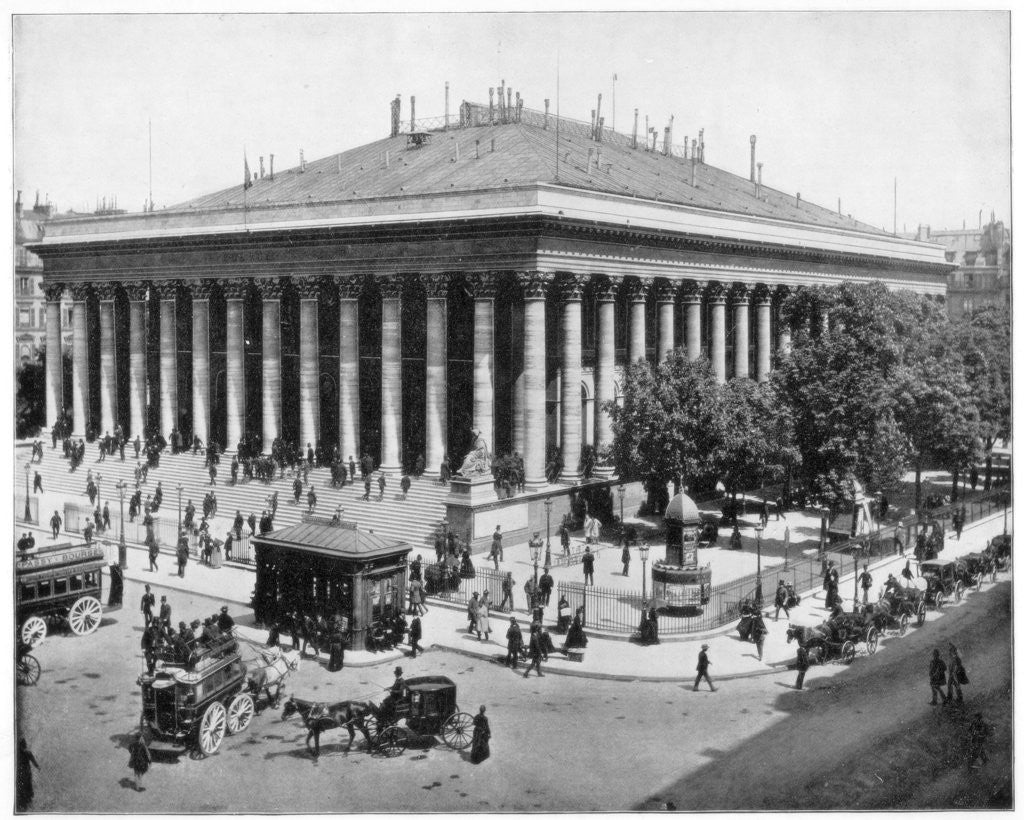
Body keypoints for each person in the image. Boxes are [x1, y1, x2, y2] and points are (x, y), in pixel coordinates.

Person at [16, 737, 40, 811]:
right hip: (27, 772)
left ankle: (23, 801)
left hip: (20, 773)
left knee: (22, 786)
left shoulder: (17, 754)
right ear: (25, 744)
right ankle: (28, 801)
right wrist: (38, 767)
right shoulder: (28, 753)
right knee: (28, 785)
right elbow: (33, 761)